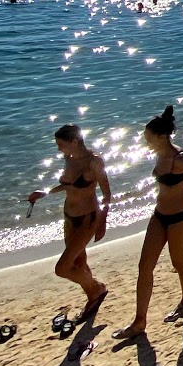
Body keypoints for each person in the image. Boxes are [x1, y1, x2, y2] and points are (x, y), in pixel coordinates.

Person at [114, 106, 183, 339]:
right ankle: (139, 322)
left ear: (161, 136)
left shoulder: (180, 159)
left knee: (179, 264)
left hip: (180, 217)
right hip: (159, 215)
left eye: (148, 138)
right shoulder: (159, 154)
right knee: (144, 266)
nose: (145, 141)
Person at [27, 125, 110, 322]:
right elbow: (68, 185)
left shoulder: (94, 162)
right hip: (69, 217)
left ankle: (97, 289)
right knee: (79, 263)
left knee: (62, 268)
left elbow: (107, 194)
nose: (58, 150)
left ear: (74, 141)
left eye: (61, 145)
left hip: (87, 219)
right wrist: (45, 193)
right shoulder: (69, 159)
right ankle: (93, 297)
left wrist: (102, 221)